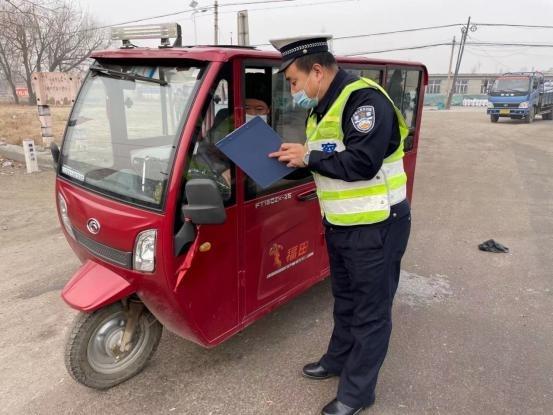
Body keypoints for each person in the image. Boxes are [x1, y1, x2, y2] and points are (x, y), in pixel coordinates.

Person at [269, 35, 411, 415]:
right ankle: (337, 359)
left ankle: (358, 392)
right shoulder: (322, 109)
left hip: (378, 225)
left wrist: (308, 156)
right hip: (343, 225)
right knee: (346, 300)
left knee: (371, 309)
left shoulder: (365, 102)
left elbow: (361, 163)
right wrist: (291, 160)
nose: (294, 91)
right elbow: (325, 161)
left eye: (294, 82)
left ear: (317, 70)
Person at [187, 73, 271, 199]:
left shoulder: (279, 126)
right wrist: (225, 170)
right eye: (247, 108)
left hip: (263, 192)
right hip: (230, 189)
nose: (253, 113)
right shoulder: (225, 121)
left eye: (259, 109)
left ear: (269, 109)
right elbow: (204, 152)